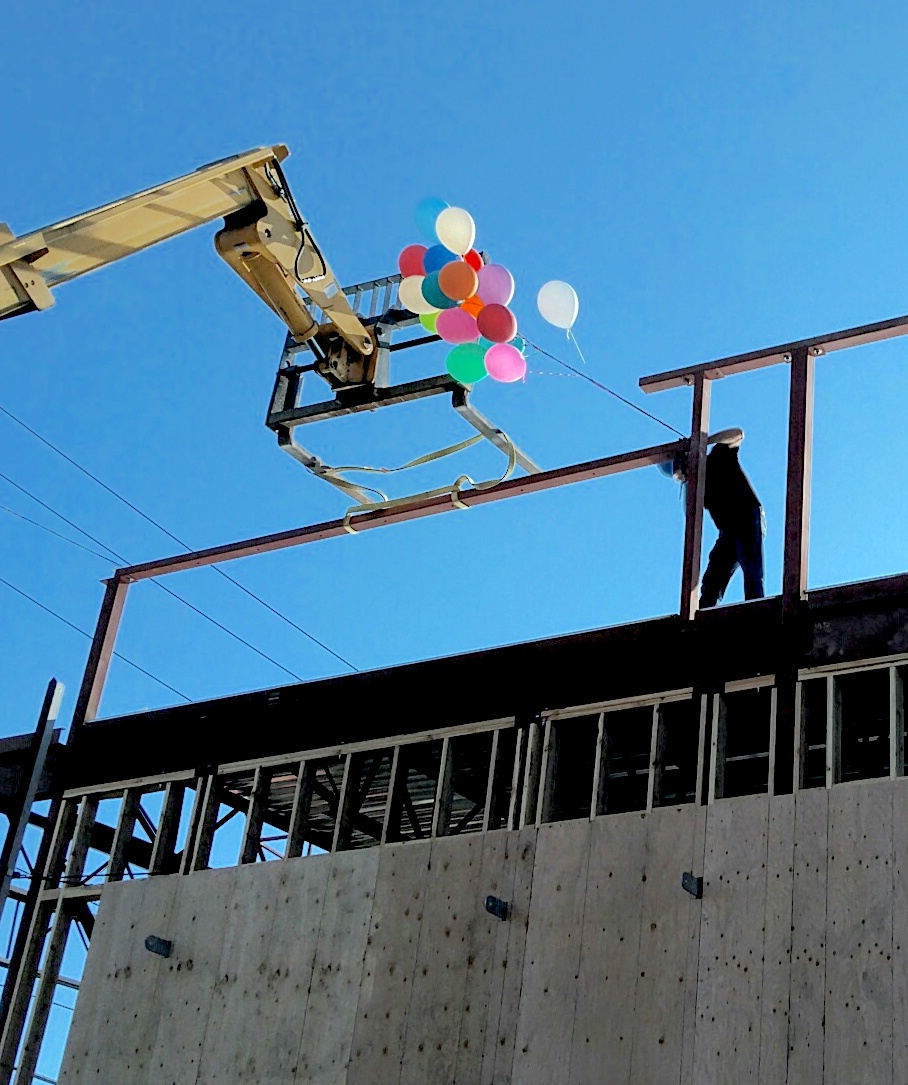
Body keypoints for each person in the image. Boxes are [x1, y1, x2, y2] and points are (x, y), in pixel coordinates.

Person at [698, 428, 765, 607]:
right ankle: (703, 618)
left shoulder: (717, 457)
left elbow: (738, 434)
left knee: (750, 566)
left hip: (746, 516)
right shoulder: (697, 490)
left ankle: (757, 612)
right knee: (713, 577)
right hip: (728, 529)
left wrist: (704, 441)